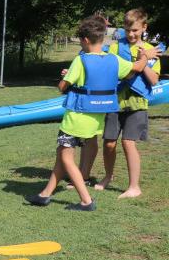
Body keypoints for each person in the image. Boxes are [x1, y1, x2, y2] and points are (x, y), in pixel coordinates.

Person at [25, 14, 150, 211]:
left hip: (75, 119)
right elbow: (135, 68)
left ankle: (86, 200)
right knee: (62, 155)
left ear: (84, 40)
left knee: (66, 157)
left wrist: (67, 78)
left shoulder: (80, 61)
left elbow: (62, 86)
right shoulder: (114, 59)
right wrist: (145, 56)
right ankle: (45, 194)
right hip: (95, 120)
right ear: (101, 37)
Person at [96, 9, 161, 197]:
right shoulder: (116, 47)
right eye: (127, 30)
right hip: (115, 101)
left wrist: (145, 59)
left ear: (144, 28)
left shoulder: (151, 50)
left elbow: (154, 80)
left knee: (128, 142)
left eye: (135, 30)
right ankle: (108, 176)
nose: (131, 34)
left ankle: (134, 187)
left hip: (137, 103)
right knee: (109, 143)